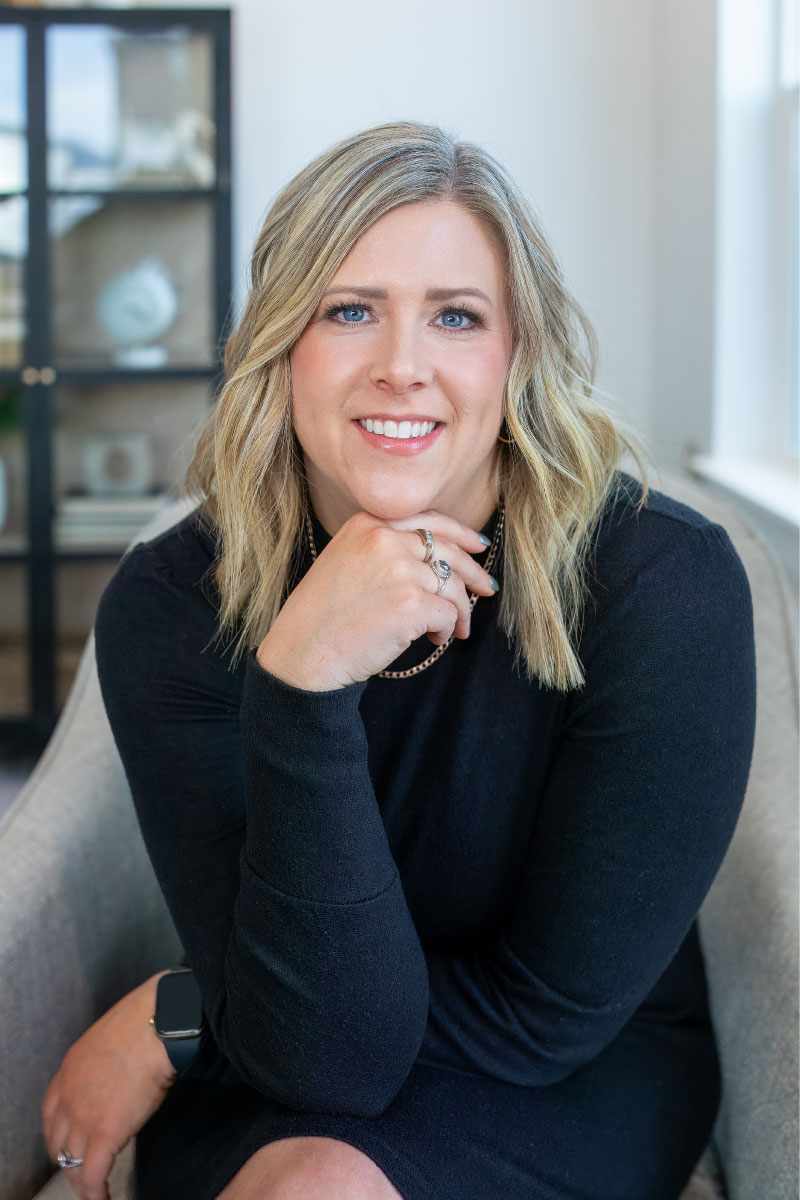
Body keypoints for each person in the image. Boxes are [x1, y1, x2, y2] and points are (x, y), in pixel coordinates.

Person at [41, 120, 756, 1200]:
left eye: (455, 317)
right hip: (288, 1058)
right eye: (349, 311)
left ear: (519, 352)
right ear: (281, 343)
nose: (401, 369)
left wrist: (178, 1014)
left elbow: (542, 1016)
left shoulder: (658, 585)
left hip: (561, 1072)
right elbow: (317, 1059)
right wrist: (303, 678)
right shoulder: (172, 604)